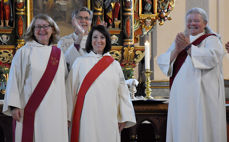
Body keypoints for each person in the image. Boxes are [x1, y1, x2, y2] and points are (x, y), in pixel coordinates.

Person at [157, 7, 227, 142]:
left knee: (201, 127)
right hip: (181, 97)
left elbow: (211, 58)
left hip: (202, 96)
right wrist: (177, 50)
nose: (192, 24)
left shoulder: (211, 40)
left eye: (196, 21)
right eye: (189, 21)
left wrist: (188, 47)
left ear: (205, 23)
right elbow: (164, 62)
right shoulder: (182, 39)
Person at [3, 14, 71, 142]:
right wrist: (14, 106)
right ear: (32, 31)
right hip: (31, 110)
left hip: (56, 110)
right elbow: (14, 79)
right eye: (38, 26)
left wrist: (67, 113)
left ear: (53, 29)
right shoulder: (24, 52)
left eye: (46, 26)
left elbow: (64, 84)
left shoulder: (59, 54)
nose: (42, 30)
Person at [67, 25, 136, 142]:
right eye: (95, 37)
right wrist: (67, 116)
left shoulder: (114, 65)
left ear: (107, 40)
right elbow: (70, 91)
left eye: (102, 37)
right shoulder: (79, 63)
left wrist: (124, 117)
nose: (98, 41)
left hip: (108, 115)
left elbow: (122, 93)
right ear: (90, 40)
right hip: (86, 115)